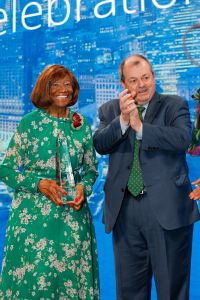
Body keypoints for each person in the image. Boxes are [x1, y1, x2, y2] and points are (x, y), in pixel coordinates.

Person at [93, 54, 200, 300]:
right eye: (134, 80)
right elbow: (100, 144)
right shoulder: (109, 110)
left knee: (172, 290)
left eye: (146, 78)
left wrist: (140, 128)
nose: (142, 85)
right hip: (124, 212)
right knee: (129, 291)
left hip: (168, 210)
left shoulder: (175, 105)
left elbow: (182, 140)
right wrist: (122, 120)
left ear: (153, 77)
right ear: (123, 84)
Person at [0, 64, 100, 299]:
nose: (63, 89)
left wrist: (82, 188)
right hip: (33, 223)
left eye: (68, 84)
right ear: (45, 89)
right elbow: (5, 170)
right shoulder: (29, 123)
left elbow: (92, 170)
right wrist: (39, 184)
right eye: (55, 84)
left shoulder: (81, 124)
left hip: (73, 222)